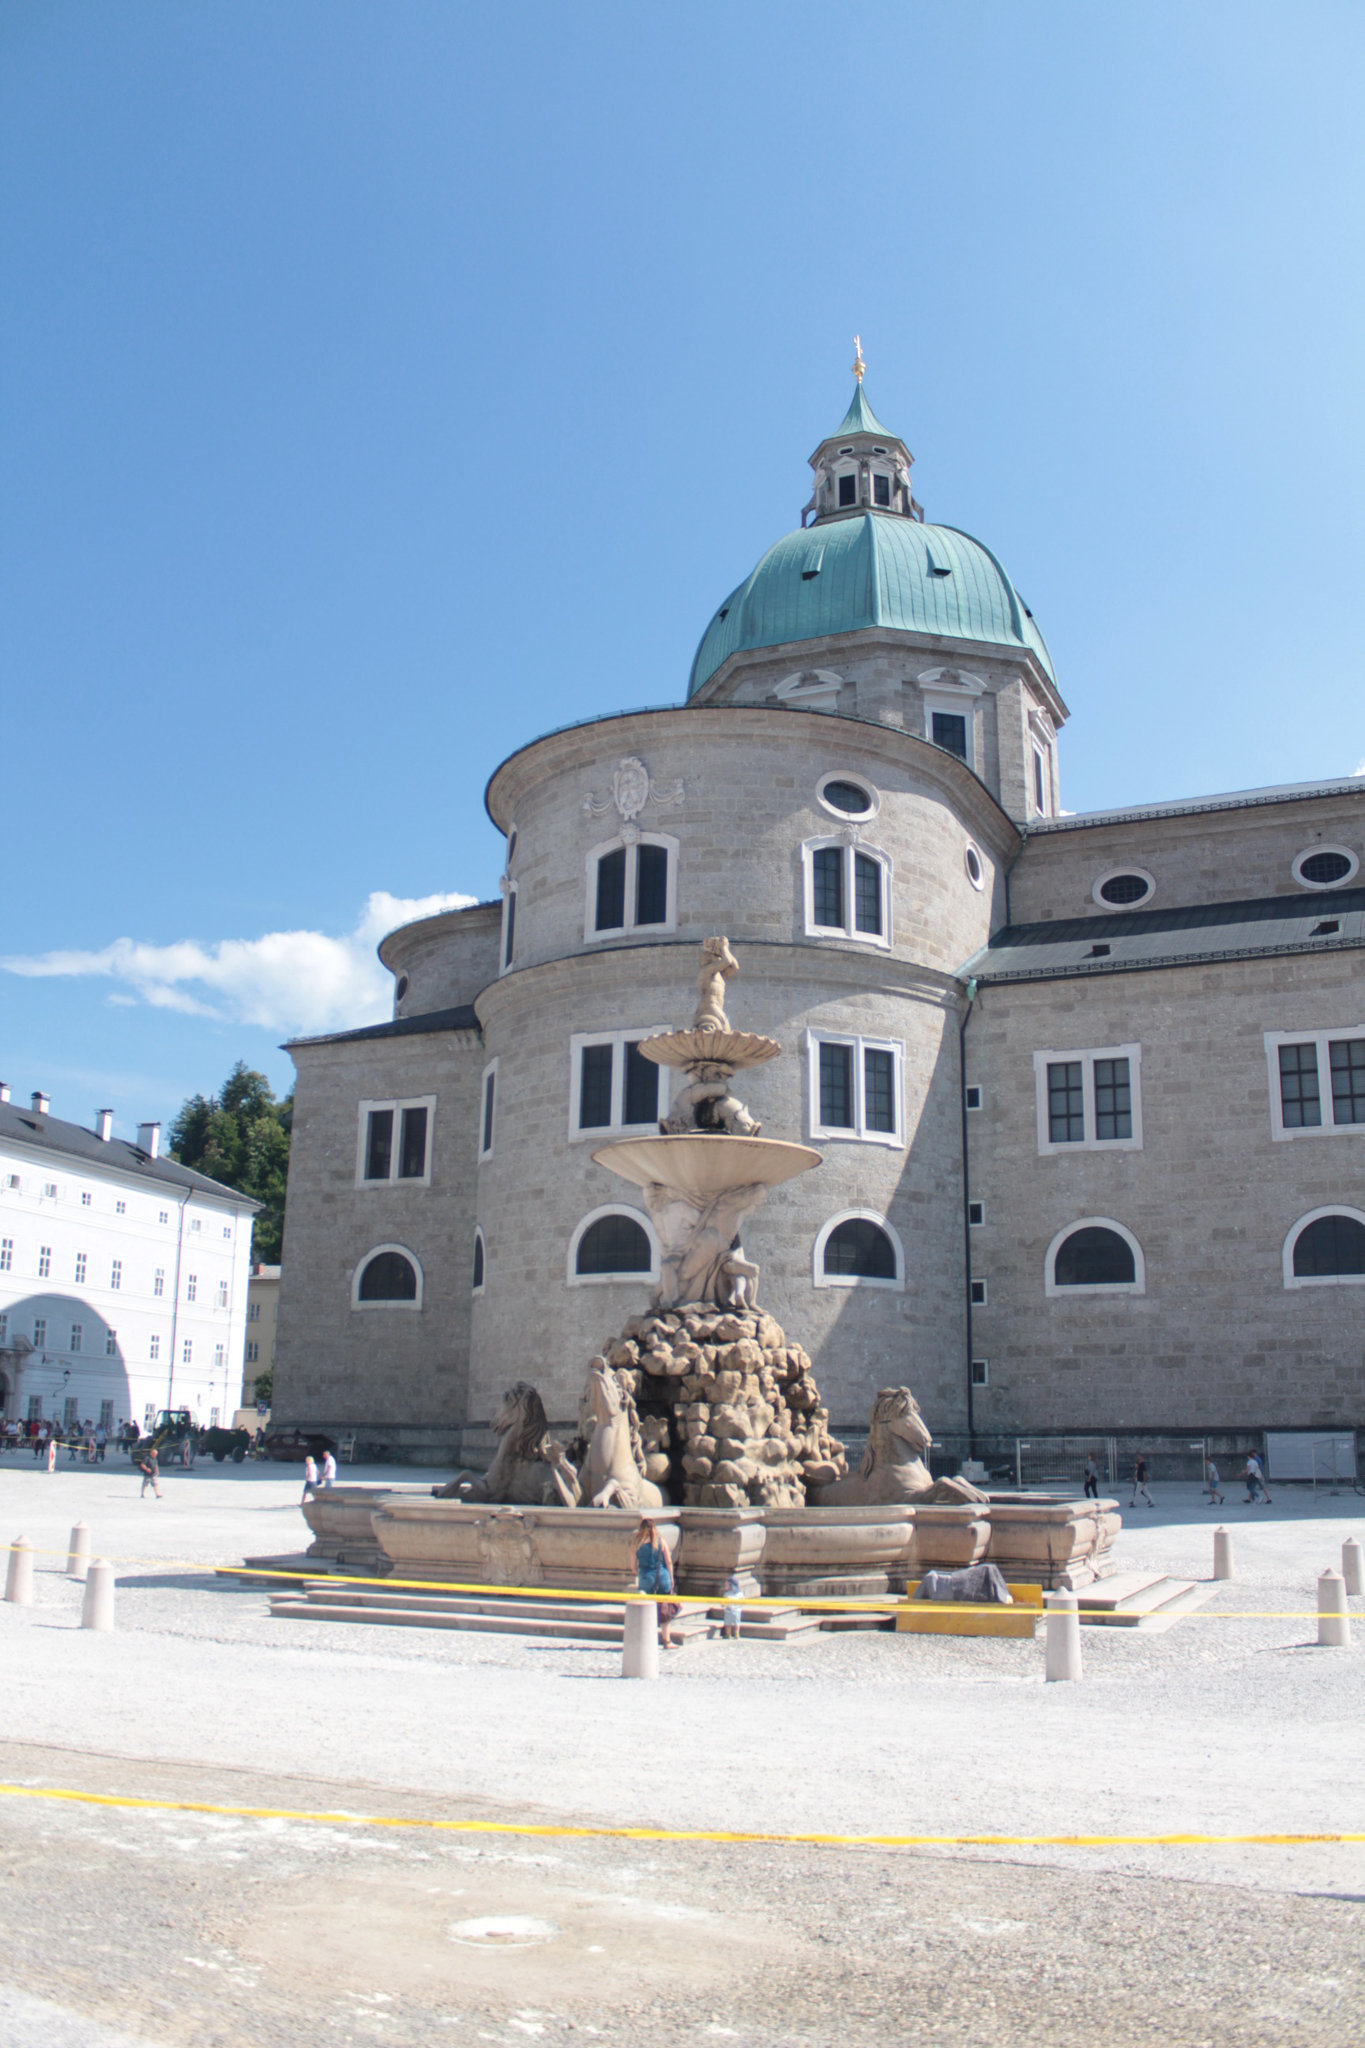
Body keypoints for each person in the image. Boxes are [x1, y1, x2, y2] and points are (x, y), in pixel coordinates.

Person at [634, 1518, 681, 1649]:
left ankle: (645, 1640)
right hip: (662, 1578)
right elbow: (668, 1562)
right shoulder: (661, 1542)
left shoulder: (637, 1544)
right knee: (664, 1610)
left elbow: (633, 1566)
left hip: (645, 1579)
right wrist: (671, 1579)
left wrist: (641, 1572)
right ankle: (667, 1641)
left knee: (645, 1610)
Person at [721, 1570, 742, 1641]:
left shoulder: (727, 1594)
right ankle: (735, 1634)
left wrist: (723, 1605)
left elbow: (723, 1604)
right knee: (735, 1623)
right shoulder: (739, 1594)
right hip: (735, 1611)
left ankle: (729, 1634)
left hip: (730, 1611)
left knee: (729, 1624)